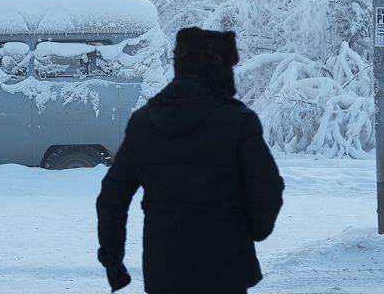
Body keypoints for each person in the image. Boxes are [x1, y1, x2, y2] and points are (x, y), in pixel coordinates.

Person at [96, 27, 284, 294]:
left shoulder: (144, 123)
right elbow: (268, 187)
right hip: (227, 271)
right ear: (217, 70)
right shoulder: (239, 122)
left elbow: (111, 198)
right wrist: (252, 231)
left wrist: (113, 258)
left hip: (165, 273)